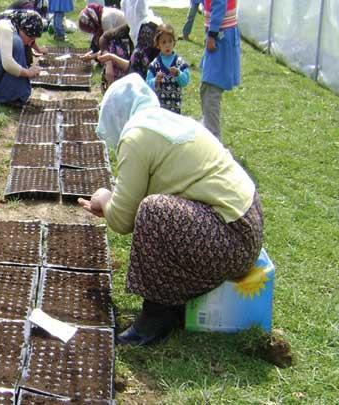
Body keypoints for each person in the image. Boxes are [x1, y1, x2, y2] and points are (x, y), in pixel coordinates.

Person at [80, 74, 263, 346]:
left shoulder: (135, 137)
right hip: (247, 226)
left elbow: (121, 219)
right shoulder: (166, 121)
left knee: (153, 212)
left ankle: (156, 317)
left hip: (231, 241)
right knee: (160, 212)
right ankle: (177, 303)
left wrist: (104, 198)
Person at [200, 0, 240, 140]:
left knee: (212, 89)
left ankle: (213, 137)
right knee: (206, 88)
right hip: (219, 34)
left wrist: (212, 34)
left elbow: (219, 5)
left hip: (220, 38)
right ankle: (207, 127)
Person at [95, 0, 162, 80]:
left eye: (126, 9)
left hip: (153, 80)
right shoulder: (136, 25)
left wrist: (111, 57)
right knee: (114, 42)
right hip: (145, 76)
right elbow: (105, 37)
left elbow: (135, 70)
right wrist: (108, 63)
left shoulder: (147, 31)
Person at [77, 3, 130, 90]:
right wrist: (90, 54)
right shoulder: (99, 16)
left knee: (106, 59)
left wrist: (92, 57)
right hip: (117, 38)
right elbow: (101, 45)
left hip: (125, 38)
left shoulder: (105, 20)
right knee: (97, 51)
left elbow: (107, 46)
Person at [146, 24, 190, 114]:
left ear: (174, 42)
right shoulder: (155, 65)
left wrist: (178, 74)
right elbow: (147, 85)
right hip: (159, 109)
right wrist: (155, 80)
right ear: (158, 45)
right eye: (164, 42)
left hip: (175, 109)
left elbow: (185, 81)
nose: (167, 45)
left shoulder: (179, 62)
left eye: (170, 41)